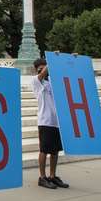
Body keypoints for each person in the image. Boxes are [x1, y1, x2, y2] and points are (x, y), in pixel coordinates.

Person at [30, 58, 69, 189]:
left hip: (57, 121)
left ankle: (53, 176)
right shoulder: (36, 81)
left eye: (45, 67)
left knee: (55, 151)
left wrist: (69, 60)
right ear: (37, 69)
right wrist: (52, 60)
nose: (44, 70)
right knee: (44, 150)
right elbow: (41, 75)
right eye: (40, 68)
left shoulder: (53, 81)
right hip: (45, 120)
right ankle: (42, 177)